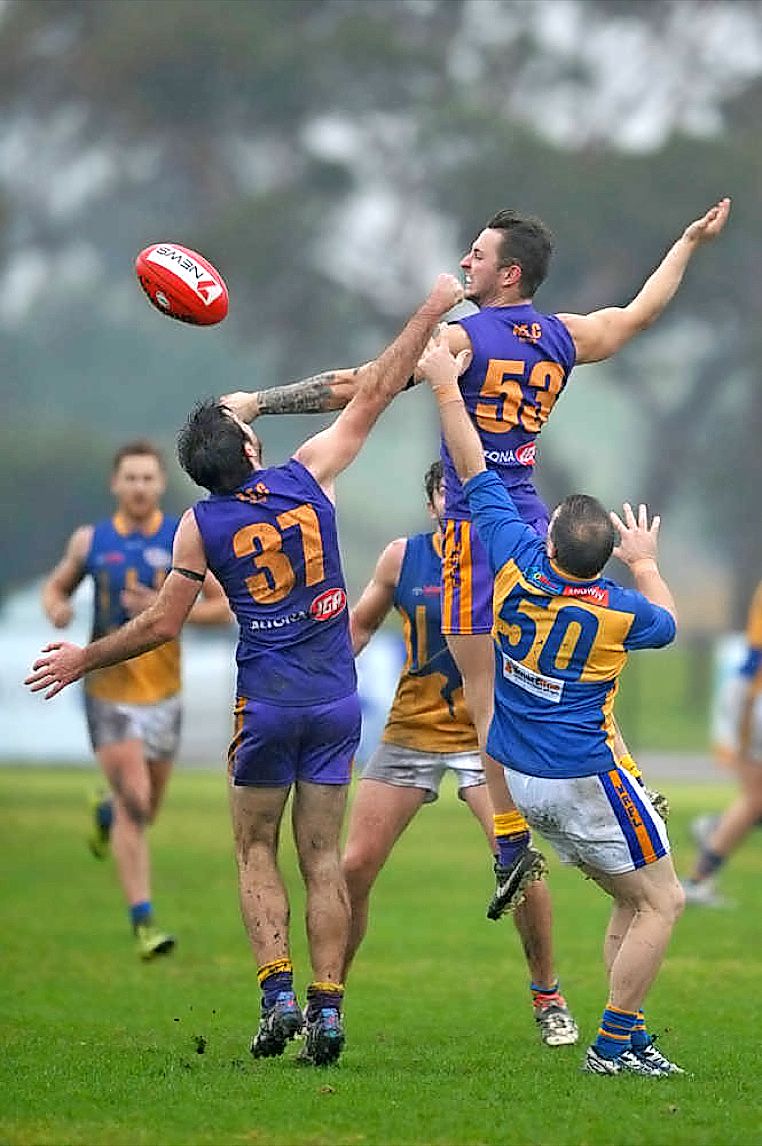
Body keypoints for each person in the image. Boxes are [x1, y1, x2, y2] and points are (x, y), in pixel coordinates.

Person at [219, 199, 730, 917]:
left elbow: (360, 385)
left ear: (509, 272)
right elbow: (638, 315)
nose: (465, 263)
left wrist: (258, 404)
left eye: (477, 255)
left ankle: (511, 841)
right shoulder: (560, 336)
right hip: (532, 519)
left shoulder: (459, 341)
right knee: (574, 654)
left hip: (473, 524)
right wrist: (685, 240)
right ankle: (622, 777)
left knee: (482, 692)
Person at [26, 273, 464, 1067]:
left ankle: (277, 999)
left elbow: (162, 624)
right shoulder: (307, 478)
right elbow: (369, 393)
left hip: (265, 707)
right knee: (323, 859)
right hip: (336, 703)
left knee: (254, 850)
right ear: (251, 449)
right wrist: (433, 308)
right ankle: (330, 1014)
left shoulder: (199, 524)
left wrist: (82, 656)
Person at [418, 329, 684, 1077]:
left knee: (632, 901)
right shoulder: (619, 610)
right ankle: (610, 1045)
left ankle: (628, 1039)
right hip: (586, 775)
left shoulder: (514, 556)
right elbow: (669, 620)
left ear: (552, 539)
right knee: (666, 903)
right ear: (601, 560)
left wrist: (445, 385)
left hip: (521, 780)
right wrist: (648, 563)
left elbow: (474, 466)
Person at [342, 459, 578, 1046]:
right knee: (352, 868)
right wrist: (312, 678)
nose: (460, 501)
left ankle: (548, 997)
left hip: (487, 740)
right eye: (449, 492)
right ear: (432, 504)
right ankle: (328, 1001)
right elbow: (359, 629)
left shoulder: (513, 558)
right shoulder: (403, 558)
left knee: (519, 865)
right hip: (411, 730)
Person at [41, 440, 231, 960]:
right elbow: (55, 589)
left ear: (161, 484)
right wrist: (57, 609)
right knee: (137, 803)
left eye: (148, 478)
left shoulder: (181, 539)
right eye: (131, 478)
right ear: (115, 483)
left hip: (165, 691)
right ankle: (144, 923)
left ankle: (105, 812)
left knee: (145, 809)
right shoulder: (91, 541)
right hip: (108, 690)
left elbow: (223, 607)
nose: (140, 487)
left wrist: (168, 610)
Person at [683, 579, 762, 906]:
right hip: (756, 695)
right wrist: (745, 719)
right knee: (756, 796)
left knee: (756, 797)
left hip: (750, 695)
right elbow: (756, 657)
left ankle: (716, 828)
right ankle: (697, 879)